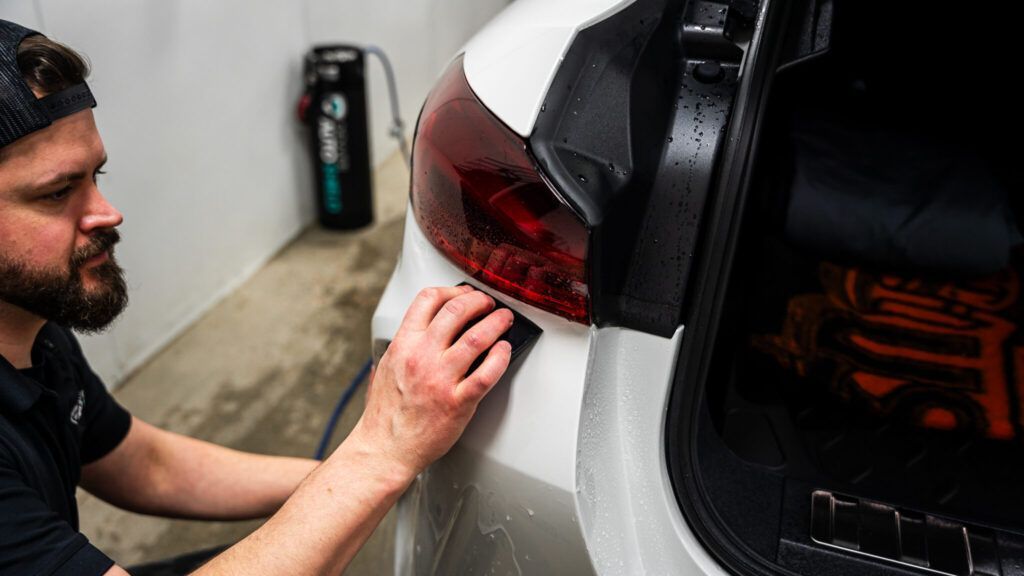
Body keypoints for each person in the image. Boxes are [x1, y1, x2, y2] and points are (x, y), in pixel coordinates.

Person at [0, 19, 513, 576]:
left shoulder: (32, 328)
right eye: (56, 193)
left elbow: (147, 467)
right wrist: (384, 450)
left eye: (96, 175)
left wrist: (346, 475)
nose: (107, 212)